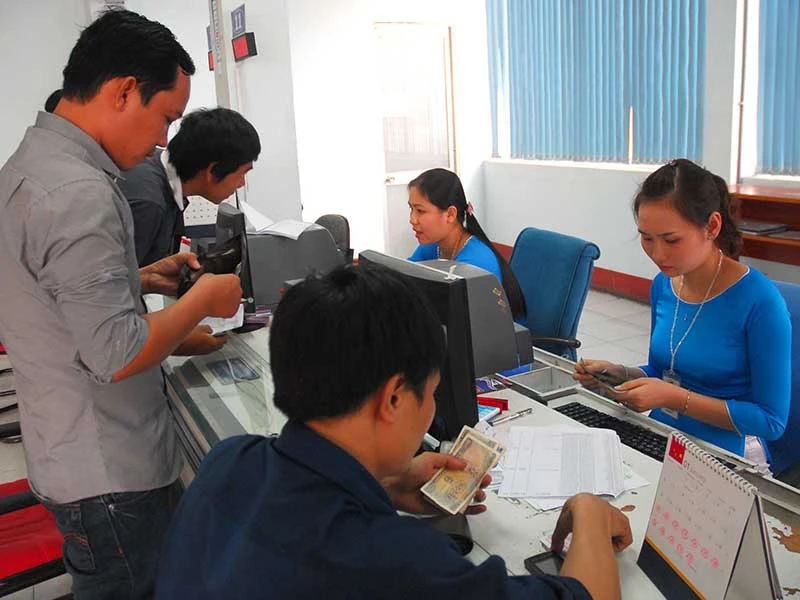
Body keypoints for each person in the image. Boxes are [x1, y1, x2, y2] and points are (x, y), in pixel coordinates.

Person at [155, 264, 632, 600]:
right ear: (394, 399)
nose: (431, 410)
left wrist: (384, 486)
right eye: (432, 393)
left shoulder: (230, 460)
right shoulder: (394, 563)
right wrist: (590, 513)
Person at [0, 10, 242, 599]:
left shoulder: (34, 165)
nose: (163, 140)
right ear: (125, 91)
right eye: (166, 118)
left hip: (68, 447)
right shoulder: (78, 193)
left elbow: (55, 292)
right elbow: (116, 353)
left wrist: (141, 277)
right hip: (108, 471)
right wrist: (203, 299)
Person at [575, 159, 790, 467]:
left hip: (727, 454)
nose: (657, 254)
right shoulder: (664, 285)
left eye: (671, 240)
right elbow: (664, 371)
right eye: (646, 238)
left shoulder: (760, 302)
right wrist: (621, 374)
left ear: (712, 227)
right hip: (663, 435)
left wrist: (673, 398)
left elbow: (770, 420)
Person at [117, 107, 261, 267]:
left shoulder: (156, 172)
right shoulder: (149, 204)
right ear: (213, 171)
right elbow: (116, 280)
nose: (242, 183)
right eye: (242, 173)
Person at [407, 167, 527, 318]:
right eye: (411, 209)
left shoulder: (475, 263)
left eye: (420, 211)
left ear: (450, 214)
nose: (412, 219)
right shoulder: (433, 245)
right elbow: (404, 277)